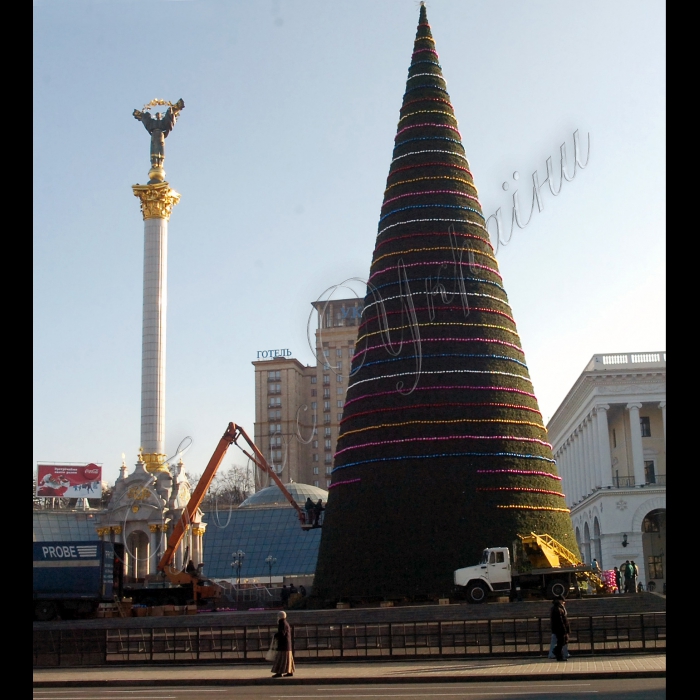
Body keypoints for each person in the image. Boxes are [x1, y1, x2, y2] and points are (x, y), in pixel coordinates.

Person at [271, 610, 295, 678]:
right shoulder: (286, 623)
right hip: (287, 645)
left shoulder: (282, 623)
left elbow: (282, 633)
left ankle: (279, 672)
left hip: (283, 645)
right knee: (288, 659)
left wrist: (275, 635)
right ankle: (289, 671)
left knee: (281, 659)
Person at [550, 595, 571, 662]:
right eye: (562, 601)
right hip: (559, 628)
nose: (563, 602)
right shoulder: (558, 609)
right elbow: (561, 620)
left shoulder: (557, 608)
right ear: (560, 600)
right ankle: (557, 653)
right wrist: (564, 629)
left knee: (561, 642)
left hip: (558, 628)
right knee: (561, 642)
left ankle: (558, 654)